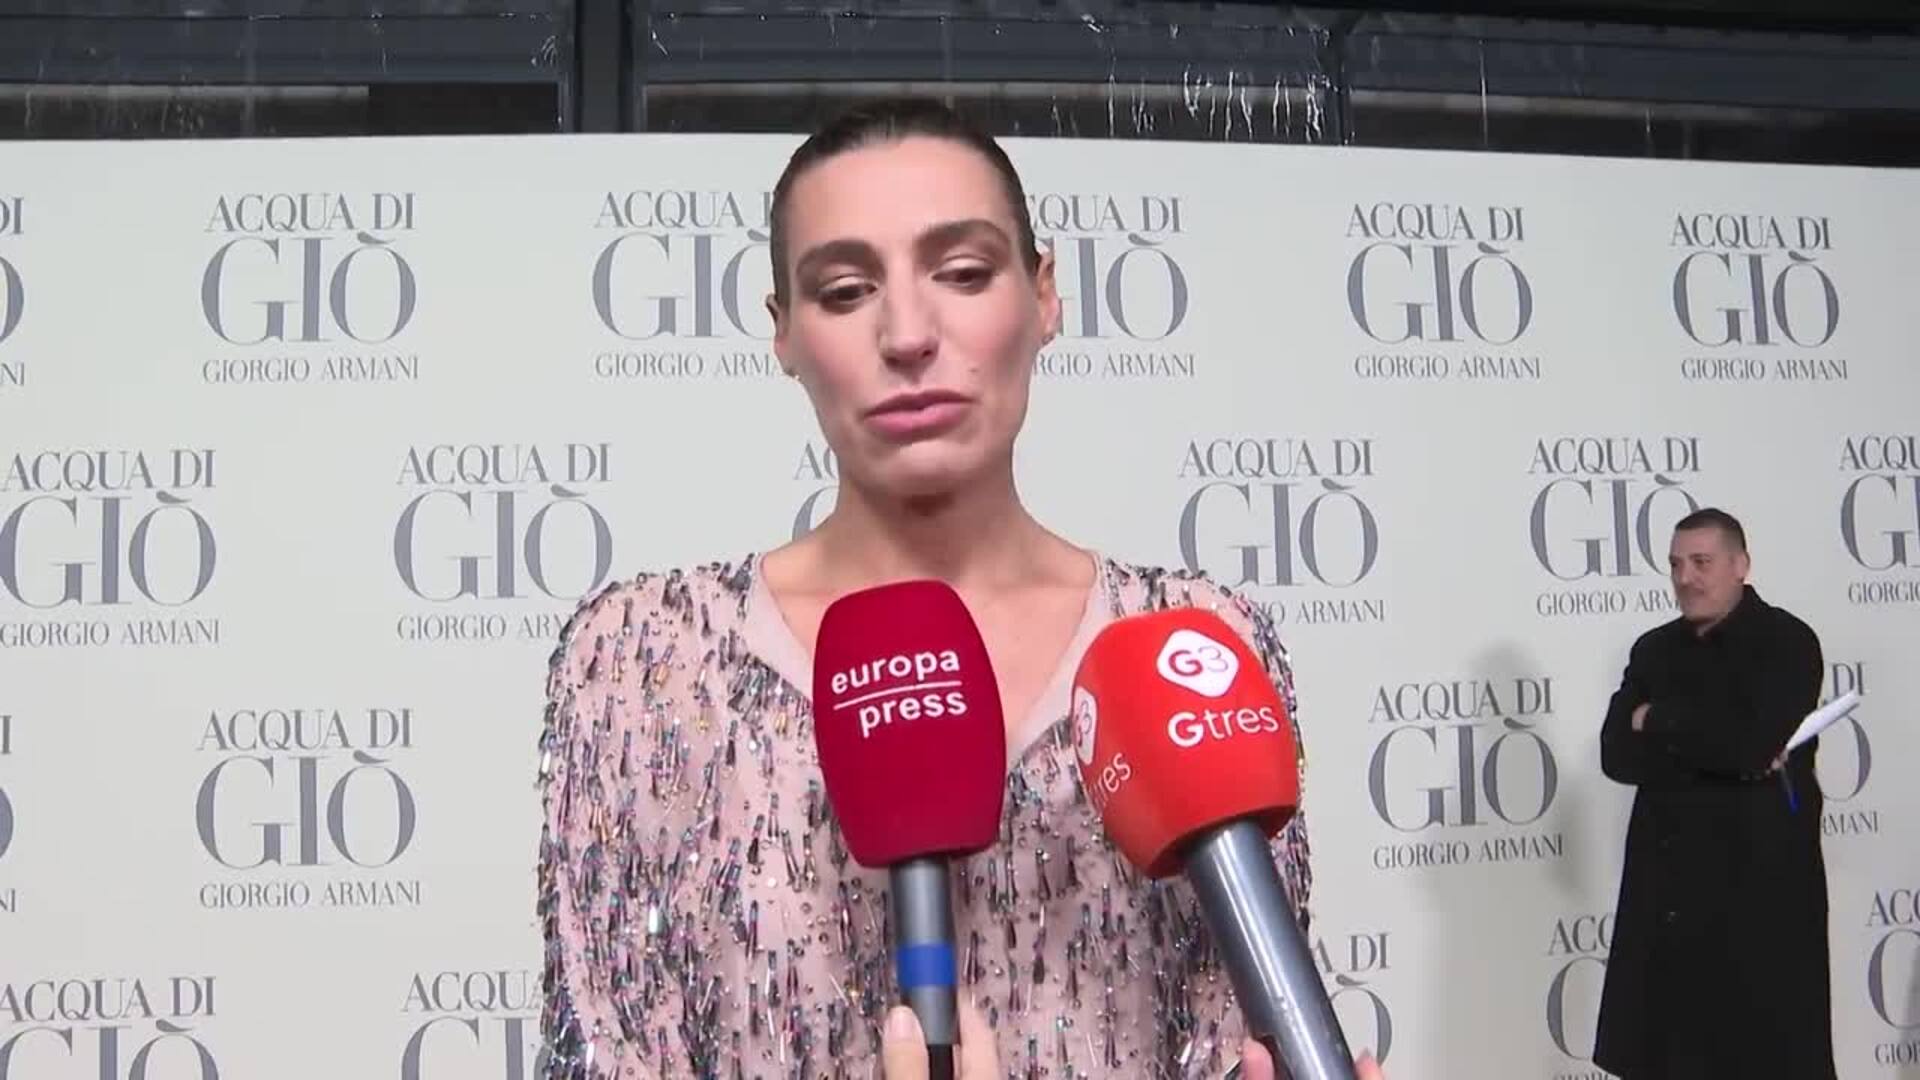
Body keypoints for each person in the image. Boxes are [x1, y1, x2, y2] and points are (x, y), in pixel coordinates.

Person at [535, 98, 1373, 1080]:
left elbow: (1240, 1027)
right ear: (784, 334)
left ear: (1044, 295)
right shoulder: (645, 658)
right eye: (845, 291)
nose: (908, 334)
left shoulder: (1194, 643)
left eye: (965, 273)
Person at [1594, 507, 1836, 1080]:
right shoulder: (1654, 650)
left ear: (1740, 565)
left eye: (1701, 562)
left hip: (1760, 899)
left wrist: (1656, 720)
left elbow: (1751, 746)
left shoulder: (1787, 641)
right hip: (1670, 900)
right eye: (1676, 564)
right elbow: (1616, 754)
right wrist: (1717, 739)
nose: (1686, 578)